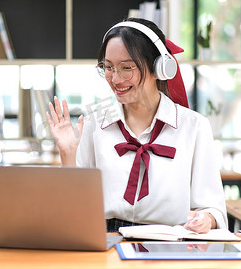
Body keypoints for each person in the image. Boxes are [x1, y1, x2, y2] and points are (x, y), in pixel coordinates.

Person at [46, 18, 227, 233]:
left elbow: (213, 209)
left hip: (172, 245)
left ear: (159, 68)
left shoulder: (194, 127)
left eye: (126, 68)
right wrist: (67, 153)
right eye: (108, 67)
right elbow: (73, 209)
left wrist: (205, 218)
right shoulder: (94, 126)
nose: (115, 78)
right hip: (107, 243)